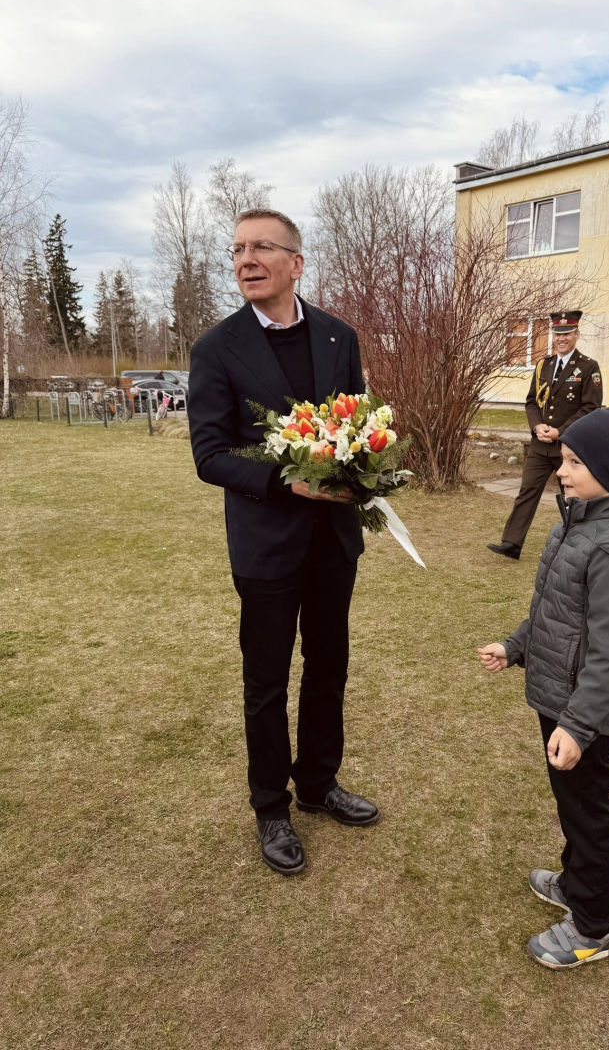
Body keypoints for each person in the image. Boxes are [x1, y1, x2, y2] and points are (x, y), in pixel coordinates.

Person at [188, 208, 379, 877]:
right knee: (266, 682)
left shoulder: (338, 337)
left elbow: (356, 421)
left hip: (333, 542)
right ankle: (272, 806)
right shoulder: (217, 348)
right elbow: (209, 456)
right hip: (267, 544)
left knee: (329, 668)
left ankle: (319, 785)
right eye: (237, 249)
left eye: (260, 248)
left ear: (296, 263)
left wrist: (363, 477)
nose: (245, 260)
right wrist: (284, 485)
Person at [477, 409, 609, 969]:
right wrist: (514, 647)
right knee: (572, 804)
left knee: (587, 809)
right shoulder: (575, 523)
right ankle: (576, 879)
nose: (562, 471)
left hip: (585, 714)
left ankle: (594, 925)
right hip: (559, 700)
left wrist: (579, 725)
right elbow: (553, 611)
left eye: (575, 462)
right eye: (563, 459)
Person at [487, 311, 603, 560]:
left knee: (574, 498)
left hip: (568, 447)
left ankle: (580, 548)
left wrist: (560, 431)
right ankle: (512, 543)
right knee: (527, 491)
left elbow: (591, 407)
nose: (561, 339)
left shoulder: (588, 367)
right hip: (540, 445)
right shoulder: (544, 365)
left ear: (576, 335)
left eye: (567, 334)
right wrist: (537, 426)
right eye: (558, 334)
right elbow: (532, 402)